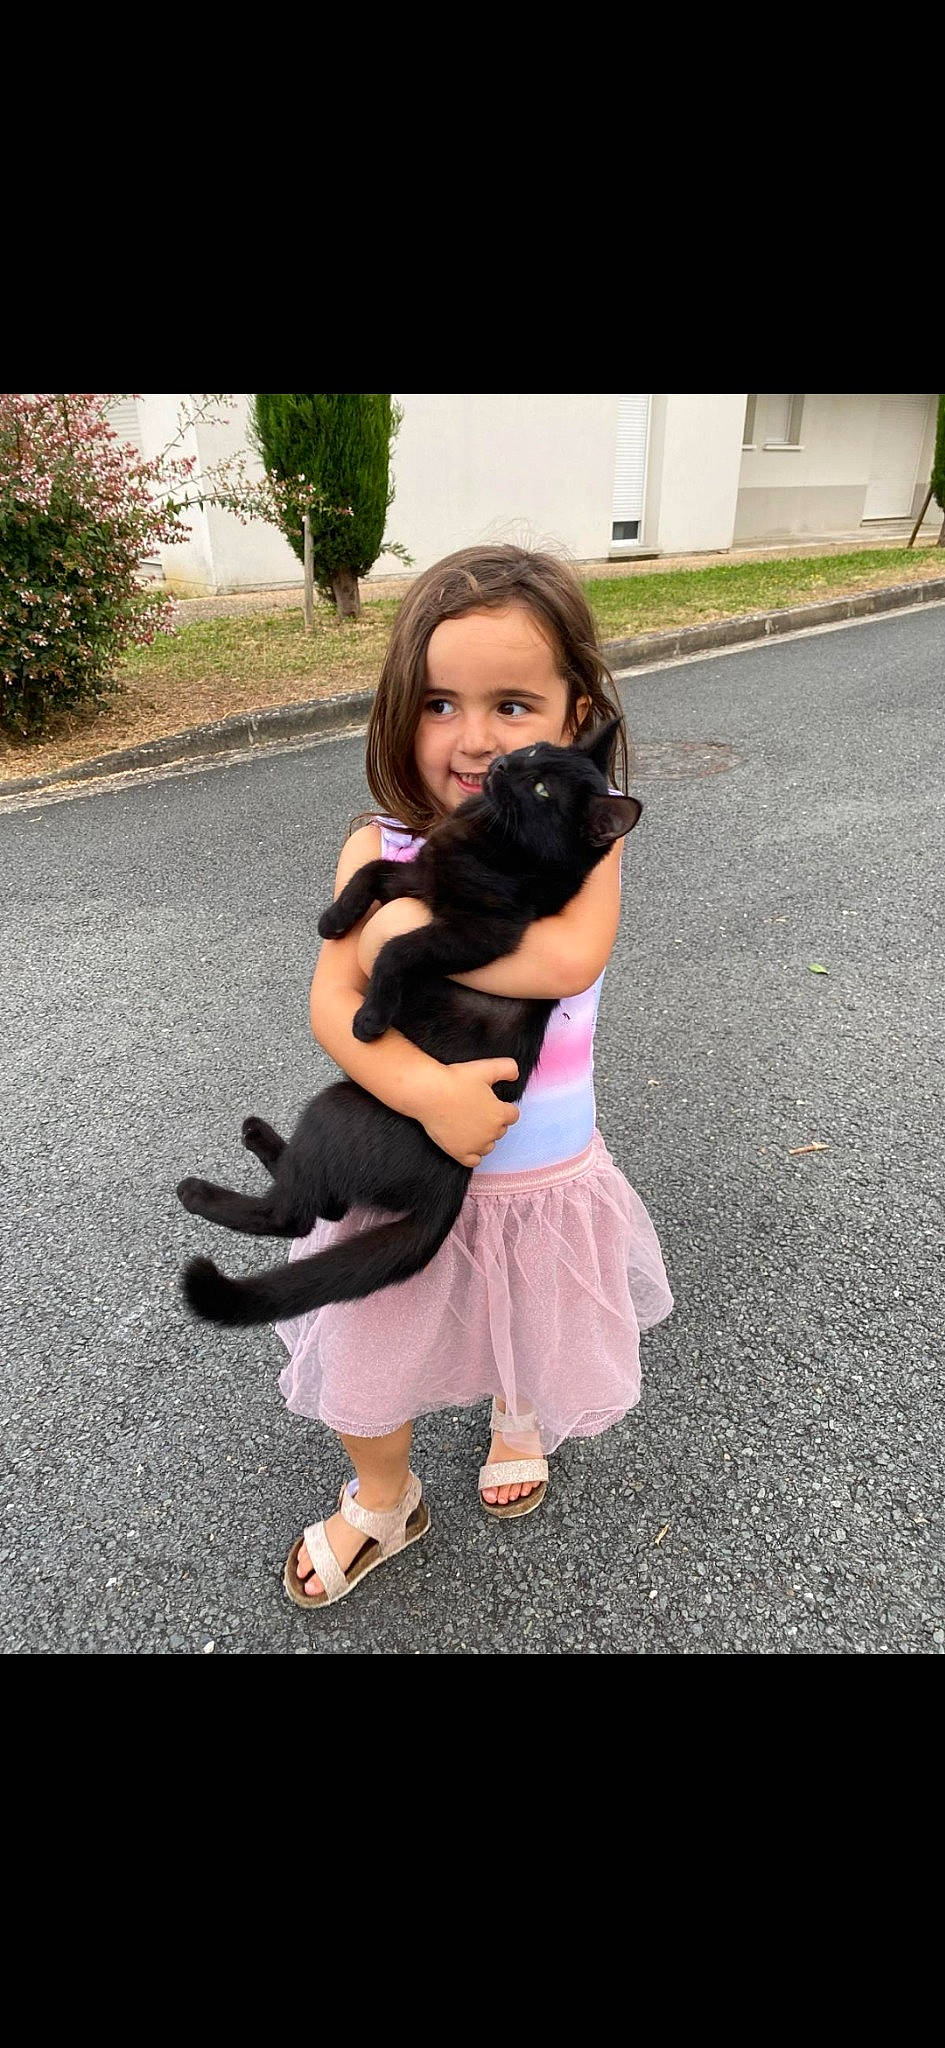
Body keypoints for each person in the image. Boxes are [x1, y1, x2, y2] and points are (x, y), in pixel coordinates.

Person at [277, 544, 674, 1608]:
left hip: (538, 1174)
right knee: (368, 1344)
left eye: (512, 704)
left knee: (524, 1323)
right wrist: (426, 1093)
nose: (476, 737)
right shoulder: (378, 840)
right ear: (399, 709)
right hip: (404, 1168)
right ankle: (382, 1498)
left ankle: (517, 1412)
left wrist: (397, 927)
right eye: (440, 703)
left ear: (574, 711)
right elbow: (330, 1004)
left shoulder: (582, 837)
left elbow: (567, 959)